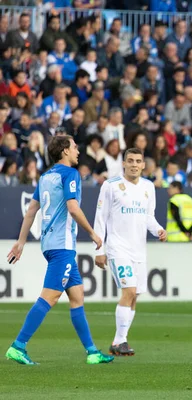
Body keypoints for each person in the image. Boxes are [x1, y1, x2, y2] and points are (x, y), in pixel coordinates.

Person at [5, 135, 113, 365]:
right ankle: (18, 346)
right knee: (50, 296)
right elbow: (73, 208)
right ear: (64, 151)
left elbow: (31, 210)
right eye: (74, 147)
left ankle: (92, 352)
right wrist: (93, 234)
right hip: (61, 246)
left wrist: (21, 242)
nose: (78, 151)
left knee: (77, 295)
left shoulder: (45, 176)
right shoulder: (69, 174)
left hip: (51, 244)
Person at [93, 148, 167, 356]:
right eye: (130, 161)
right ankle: (119, 341)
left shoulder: (148, 187)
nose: (134, 164)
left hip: (139, 250)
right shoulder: (110, 186)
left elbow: (148, 217)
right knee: (129, 292)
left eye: (138, 161)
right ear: (123, 164)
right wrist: (99, 249)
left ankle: (120, 341)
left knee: (135, 296)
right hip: (118, 248)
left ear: (144, 165)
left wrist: (158, 230)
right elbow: (100, 217)